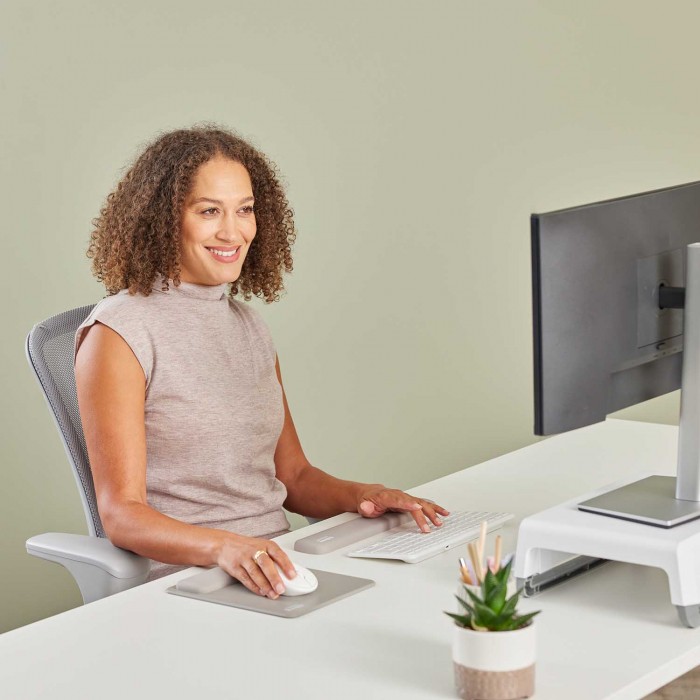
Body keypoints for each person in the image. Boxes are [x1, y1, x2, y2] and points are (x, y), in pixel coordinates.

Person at [74, 123, 449, 599]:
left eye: (245, 209)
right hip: (192, 579)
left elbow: (294, 477)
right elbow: (122, 515)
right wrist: (224, 547)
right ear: (163, 219)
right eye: (209, 211)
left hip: (277, 563)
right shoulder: (119, 333)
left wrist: (364, 495)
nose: (233, 231)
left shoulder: (248, 326)